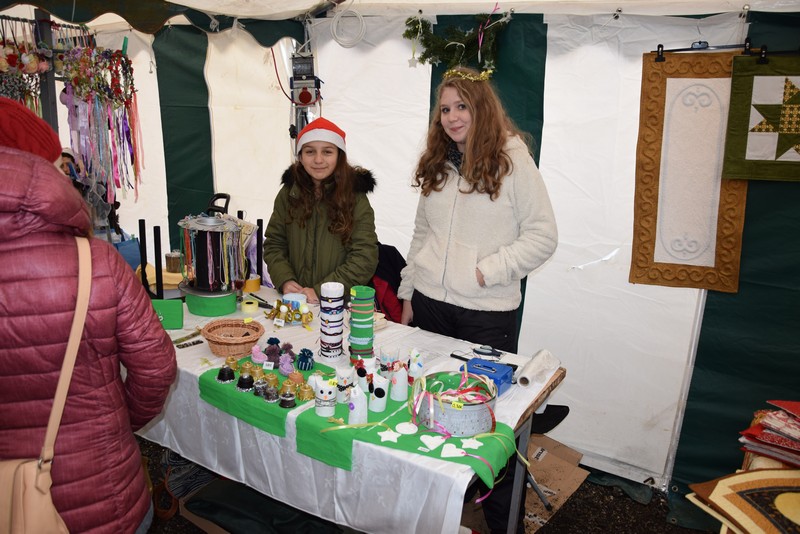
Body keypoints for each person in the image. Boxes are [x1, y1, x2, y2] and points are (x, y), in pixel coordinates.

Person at [0, 96, 177, 534]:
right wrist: (118, 422)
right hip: (106, 492)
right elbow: (156, 367)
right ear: (44, 171)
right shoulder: (95, 261)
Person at [398, 67, 558, 533]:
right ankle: (434, 513)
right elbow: (421, 233)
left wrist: (488, 270)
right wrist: (408, 292)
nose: (451, 117)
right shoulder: (437, 161)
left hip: (486, 315)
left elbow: (543, 236)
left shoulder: (512, 160)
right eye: (445, 109)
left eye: (461, 106)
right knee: (429, 411)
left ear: (481, 107)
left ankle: (503, 525)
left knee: (489, 428)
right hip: (429, 306)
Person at [263, 117, 379, 304]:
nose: (318, 160)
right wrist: (285, 279)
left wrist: (321, 291)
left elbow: (364, 257)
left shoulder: (355, 198)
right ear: (300, 156)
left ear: (339, 155)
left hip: (339, 305)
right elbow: (274, 244)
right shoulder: (289, 193)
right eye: (310, 151)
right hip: (295, 301)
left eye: (327, 152)